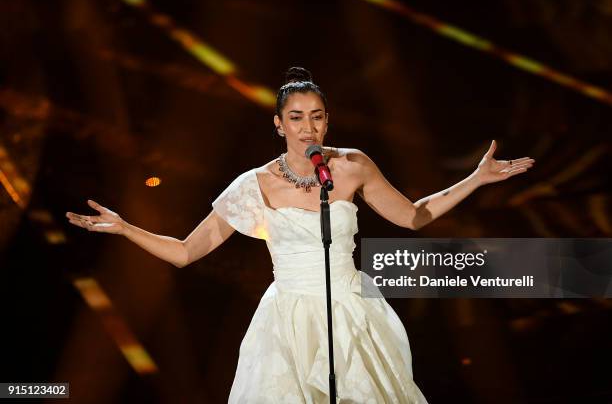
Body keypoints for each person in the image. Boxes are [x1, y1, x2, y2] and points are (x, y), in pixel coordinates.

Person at [66, 67, 534, 403]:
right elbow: (187, 252)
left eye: (316, 116)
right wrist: (125, 228)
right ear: (278, 124)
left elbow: (413, 217)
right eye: (296, 117)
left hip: (353, 313)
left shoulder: (351, 166)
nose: (307, 126)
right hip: (289, 321)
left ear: (327, 121)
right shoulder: (254, 185)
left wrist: (475, 179)